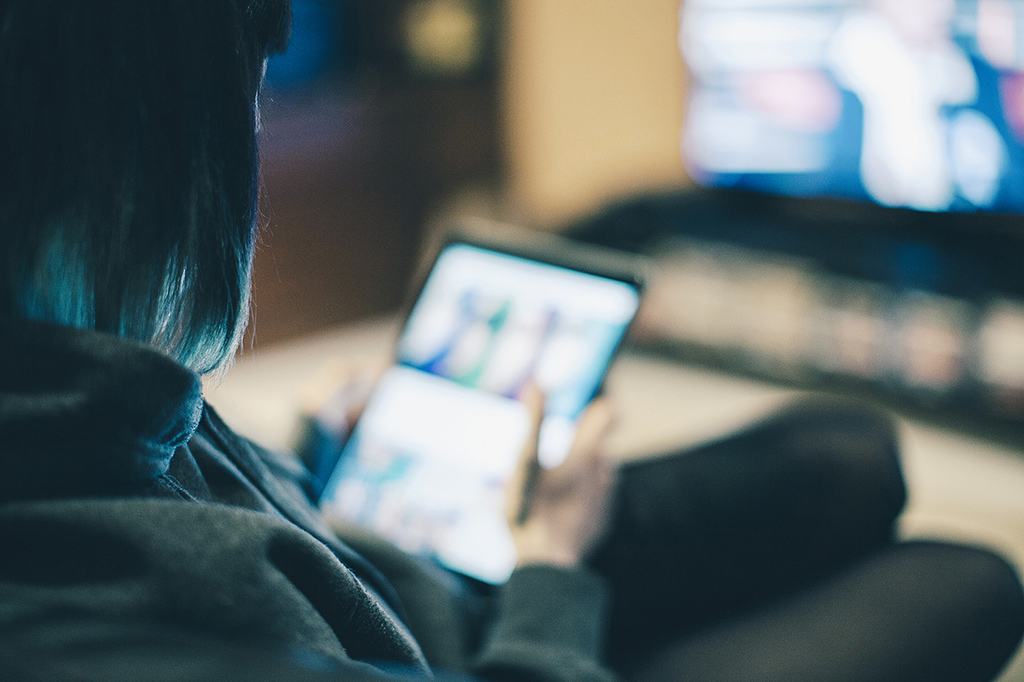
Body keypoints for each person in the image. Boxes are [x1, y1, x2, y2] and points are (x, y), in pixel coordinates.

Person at [0, 2, 1021, 681]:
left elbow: (198, 497)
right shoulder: (93, 605)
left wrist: (310, 461)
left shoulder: (56, 358)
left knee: (849, 450)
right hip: (507, 639)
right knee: (966, 579)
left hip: (412, 573)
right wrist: (551, 569)